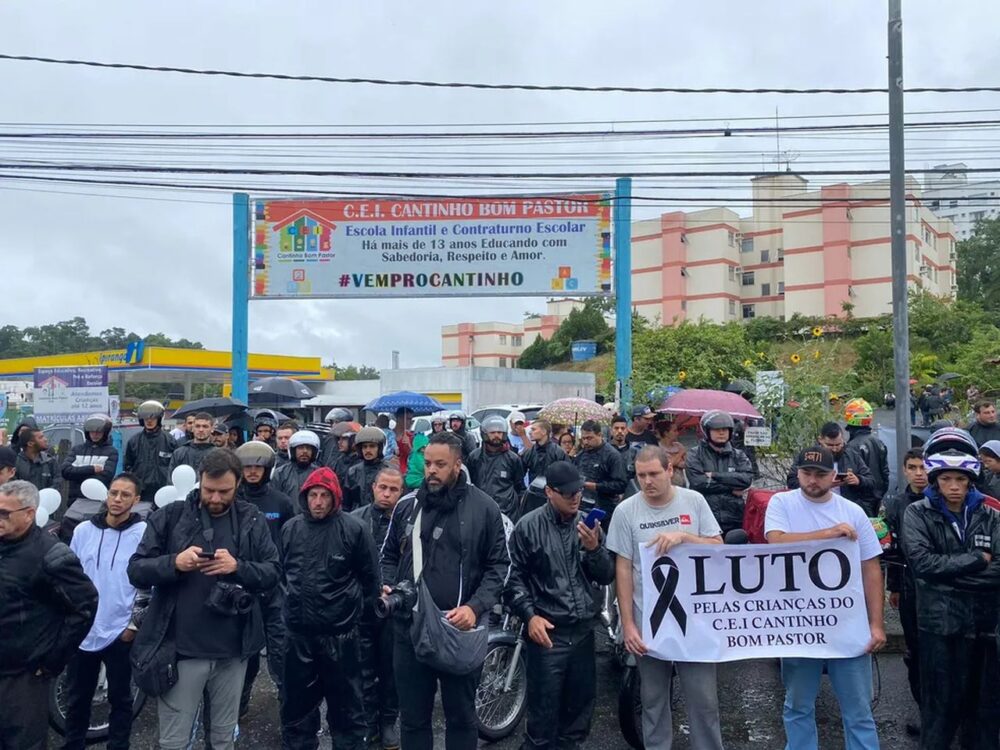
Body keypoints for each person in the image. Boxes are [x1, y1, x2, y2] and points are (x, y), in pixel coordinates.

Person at [127, 448, 280, 750]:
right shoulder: (170, 516)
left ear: (238, 485)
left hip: (233, 651)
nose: (215, 498)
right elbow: (136, 570)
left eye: (224, 491)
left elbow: (273, 572)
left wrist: (238, 567)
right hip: (181, 651)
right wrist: (174, 563)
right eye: (209, 490)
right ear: (199, 480)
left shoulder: (251, 518)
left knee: (223, 740)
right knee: (174, 742)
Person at [380, 432, 510, 750]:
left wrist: (475, 607)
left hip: (460, 630)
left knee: (462, 719)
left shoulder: (485, 508)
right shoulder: (407, 506)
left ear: (457, 464)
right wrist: (387, 584)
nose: (432, 471)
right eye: (427, 464)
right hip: (409, 630)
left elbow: (500, 566)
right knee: (413, 719)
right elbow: (387, 557)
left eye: (441, 464)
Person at [765, 446, 886, 750]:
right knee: (797, 706)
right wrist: (830, 533)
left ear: (834, 476)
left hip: (847, 624)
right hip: (798, 624)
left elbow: (871, 568)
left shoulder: (853, 512)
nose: (812, 480)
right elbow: (776, 542)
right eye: (807, 473)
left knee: (858, 711)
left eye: (820, 474)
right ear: (798, 473)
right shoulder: (781, 503)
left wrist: (876, 624)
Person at [606, 446, 724, 750]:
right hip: (649, 622)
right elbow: (623, 570)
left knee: (704, 703)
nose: (647, 481)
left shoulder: (694, 501)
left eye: (654, 474)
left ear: (670, 470)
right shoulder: (626, 511)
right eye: (641, 475)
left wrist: (684, 537)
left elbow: (718, 547)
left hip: (694, 623)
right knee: (653, 701)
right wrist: (628, 625)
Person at [504, 461, 614, 749]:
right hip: (548, 634)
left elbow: (605, 575)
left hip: (582, 631)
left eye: (578, 491)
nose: (575, 498)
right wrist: (530, 617)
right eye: (568, 494)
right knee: (542, 723)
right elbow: (512, 580)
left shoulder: (588, 523)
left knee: (577, 720)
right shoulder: (528, 527)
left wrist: (595, 550)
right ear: (550, 492)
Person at [902, 429, 1000, 749]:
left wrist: (950, 578)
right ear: (935, 480)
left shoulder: (991, 514)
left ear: (971, 478)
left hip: (986, 628)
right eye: (946, 479)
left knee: (984, 713)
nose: (954, 486)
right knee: (940, 712)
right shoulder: (917, 513)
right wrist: (975, 560)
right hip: (938, 629)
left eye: (960, 478)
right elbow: (923, 565)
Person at [279, 466, 379, 749]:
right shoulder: (291, 528)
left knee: (347, 712)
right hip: (298, 636)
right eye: (313, 495)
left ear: (335, 497)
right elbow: (282, 574)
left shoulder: (354, 528)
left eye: (324, 495)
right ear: (305, 496)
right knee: (296, 711)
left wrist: (360, 621)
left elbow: (370, 579)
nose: (318, 502)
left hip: (341, 636)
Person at [0, 480, 98, 750]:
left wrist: (52, 660)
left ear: (29, 513)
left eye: (4, 513)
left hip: (23, 678)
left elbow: (85, 606)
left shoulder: (52, 556)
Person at [63, 473, 148, 750]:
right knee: (77, 698)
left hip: (120, 629)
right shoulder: (83, 531)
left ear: (136, 500)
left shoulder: (144, 533)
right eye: (114, 493)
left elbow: (148, 584)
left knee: (121, 699)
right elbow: (70, 577)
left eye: (125, 495)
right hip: (84, 628)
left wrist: (133, 626)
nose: (117, 499)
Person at [233, 441, 293, 719]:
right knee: (246, 652)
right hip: (242, 583)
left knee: (280, 648)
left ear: (268, 469)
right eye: (247, 467)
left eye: (258, 466)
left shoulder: (280, 502)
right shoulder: (232, 499)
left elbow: (291, 540)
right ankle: (239, 702)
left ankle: (287, 702)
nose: (253, 472)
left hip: (275, 585)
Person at [353, 468, 405, 750]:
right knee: (362, 668)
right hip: (361, 607)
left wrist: (395, 586)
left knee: (391, 669)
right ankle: (368, 722)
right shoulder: (355, 520)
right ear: (373, 487)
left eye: (393, 489)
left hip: (394, 609)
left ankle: (387, 721)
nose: (386, 494)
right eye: (382, 487)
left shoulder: (408, 521)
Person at [881, 447, 928, 733]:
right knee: (915, 649)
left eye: (923, 467)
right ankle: (922, 706)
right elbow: (893, 550)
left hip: (938, 587)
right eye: (913, 468)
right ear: (905, 470)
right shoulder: (896, 503)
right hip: (909, 587)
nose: (919, 473)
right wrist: (894, 588)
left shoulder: (941, 498)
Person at [787, 421, 879, 517]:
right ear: (820, 440)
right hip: (815, 509)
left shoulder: (852, 456)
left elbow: (872, 481)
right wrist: (822, 485)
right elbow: (792, 482)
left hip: (846, 510)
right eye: (830, 445)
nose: (835, 449)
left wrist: (858, 480)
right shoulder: (809, 456)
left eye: (839, 444)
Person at [686, 411, 754, 535]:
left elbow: (746, 479)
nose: (721, 432)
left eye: (725, 429)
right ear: (707, 431)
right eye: (716, 429)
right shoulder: (695, 454)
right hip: (705, 516)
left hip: (734, 517)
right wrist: (731, 489)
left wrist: (715, 475)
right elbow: (698, 483)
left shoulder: (738, 455)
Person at [60, 413, 120, 541]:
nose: (95, 434)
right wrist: (92, 469)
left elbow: (106, 476)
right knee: (70, 537)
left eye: (99, 432)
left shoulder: (111, 452)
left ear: (105, 432)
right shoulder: (77, 450)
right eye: (92, 431)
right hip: (74, 502)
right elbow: (65, 471)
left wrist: (77, 473)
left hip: (98, 505)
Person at [467, 415, 526, 519]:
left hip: (507, 512)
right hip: (480, 510)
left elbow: (519, 487)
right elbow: (470, 483)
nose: (496, 435)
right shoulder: (475, 457)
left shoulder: (513, 458)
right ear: (485, 434)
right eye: (492, 433)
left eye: (499, 432)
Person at [573, 420, 628, 530]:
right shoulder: (581, 455)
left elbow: (621, 484)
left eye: (589, 438)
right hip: (582, 508)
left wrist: (596, 486)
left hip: (604, 511)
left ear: (600, 435)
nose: (586, 442)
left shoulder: (613, 456)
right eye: (583, 438)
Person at [124, 400, 177, 505]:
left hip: (163, 489)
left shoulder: (170, 440)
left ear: (159, 419)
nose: (149, 421)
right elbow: (127, 466)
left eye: (152, 418)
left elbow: (175, 465)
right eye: (146, 418)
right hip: (141, 490)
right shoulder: (134, 441)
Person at [844, 398, 890, 503]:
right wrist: (881, 493)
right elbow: (885, 472)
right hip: (877, 497)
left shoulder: (851, 447)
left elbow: (850, 477)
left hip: (860, 498)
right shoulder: (879, 442)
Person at [343, 426, 390, 512]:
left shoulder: (388, 471)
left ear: (379, 448)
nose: (368, 450)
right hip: (357, 517)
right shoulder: (353, 472)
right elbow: (346, 504)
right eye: (364, 447)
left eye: (372, 446)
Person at [270, 429, 322, 504]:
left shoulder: (320, 474)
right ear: (293, 450)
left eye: (308, 448)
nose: (305, 451)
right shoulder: (280, 473)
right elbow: (274, 499)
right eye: (300, 448)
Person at [522, 419, 567, 485]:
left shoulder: (558, 452)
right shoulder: (529, 453)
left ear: (544, 432)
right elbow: (518, 476)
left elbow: (566, 475)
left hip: (553, 492)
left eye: (533, 429)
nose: (530, 432)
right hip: (533, 492)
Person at [14, 424, 55, 490]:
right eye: (41, 437)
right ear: (30, 443)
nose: (45, 439)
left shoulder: (50, 461)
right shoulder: (16, 463)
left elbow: (58, 483)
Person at [392, 408, 415, 476]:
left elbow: (414, 457)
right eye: (408, 419)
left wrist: (409, 446)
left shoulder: (411, 436)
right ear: (399, 418)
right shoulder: (389, 435)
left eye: (411, 419)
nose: (411, 422)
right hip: (391, 469)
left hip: (406, 472)